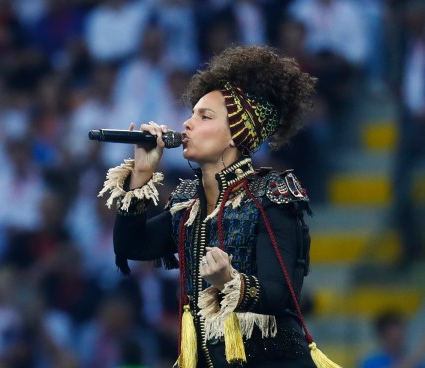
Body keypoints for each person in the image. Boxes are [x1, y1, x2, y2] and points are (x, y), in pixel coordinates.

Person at [99, 46, 339, 367]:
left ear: (235, 134)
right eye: (191, 113)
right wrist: (142, 173)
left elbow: (281, 292)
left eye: (204, 116)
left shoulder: (271, 196)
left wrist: (231, 281)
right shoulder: (188, 206)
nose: (186, 124)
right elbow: (131, 244)